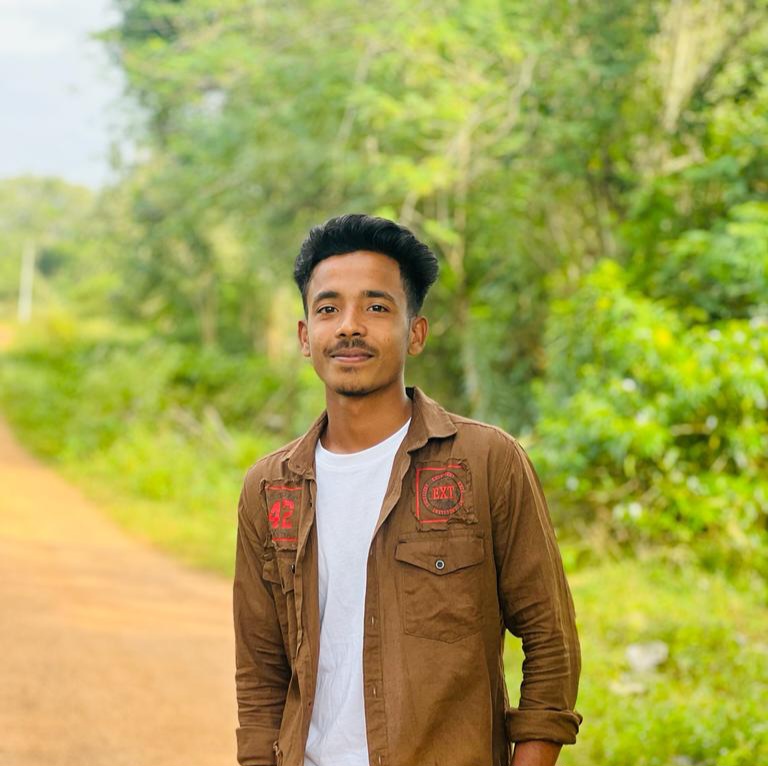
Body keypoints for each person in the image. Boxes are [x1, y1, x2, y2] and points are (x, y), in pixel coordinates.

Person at [232, 214, 583, 766]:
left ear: (414, 332)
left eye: (376, 307)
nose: (349, 326)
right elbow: (260, 675)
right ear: (306, 336)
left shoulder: (486, 463)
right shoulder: (270, 490)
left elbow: (551, 644)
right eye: (328, 308)